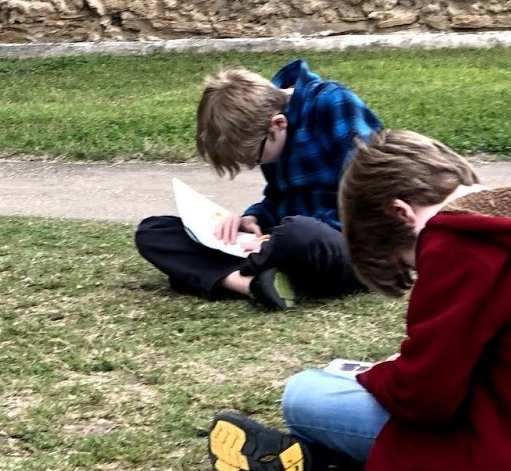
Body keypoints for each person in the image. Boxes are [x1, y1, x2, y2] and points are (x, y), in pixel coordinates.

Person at [206, 129, 511, 471]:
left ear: (401, 212)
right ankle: (327, 455)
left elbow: (427, 399)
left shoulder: (456, 244)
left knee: (305, 394)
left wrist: (378, 376)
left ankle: (327, 455)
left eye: (408, 261)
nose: (421, 269)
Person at [134, 60, 378, 311]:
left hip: (352, 246)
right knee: (154, 231)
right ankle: (251, 284)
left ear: (278, 124)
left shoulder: (335, 104)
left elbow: (370, 198)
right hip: (283, 244)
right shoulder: (266, 132)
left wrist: (274, 241)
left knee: (298, 233)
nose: (252, 167)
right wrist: (253, 218)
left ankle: (228, 275)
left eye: (254, 157)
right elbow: (279, 197)